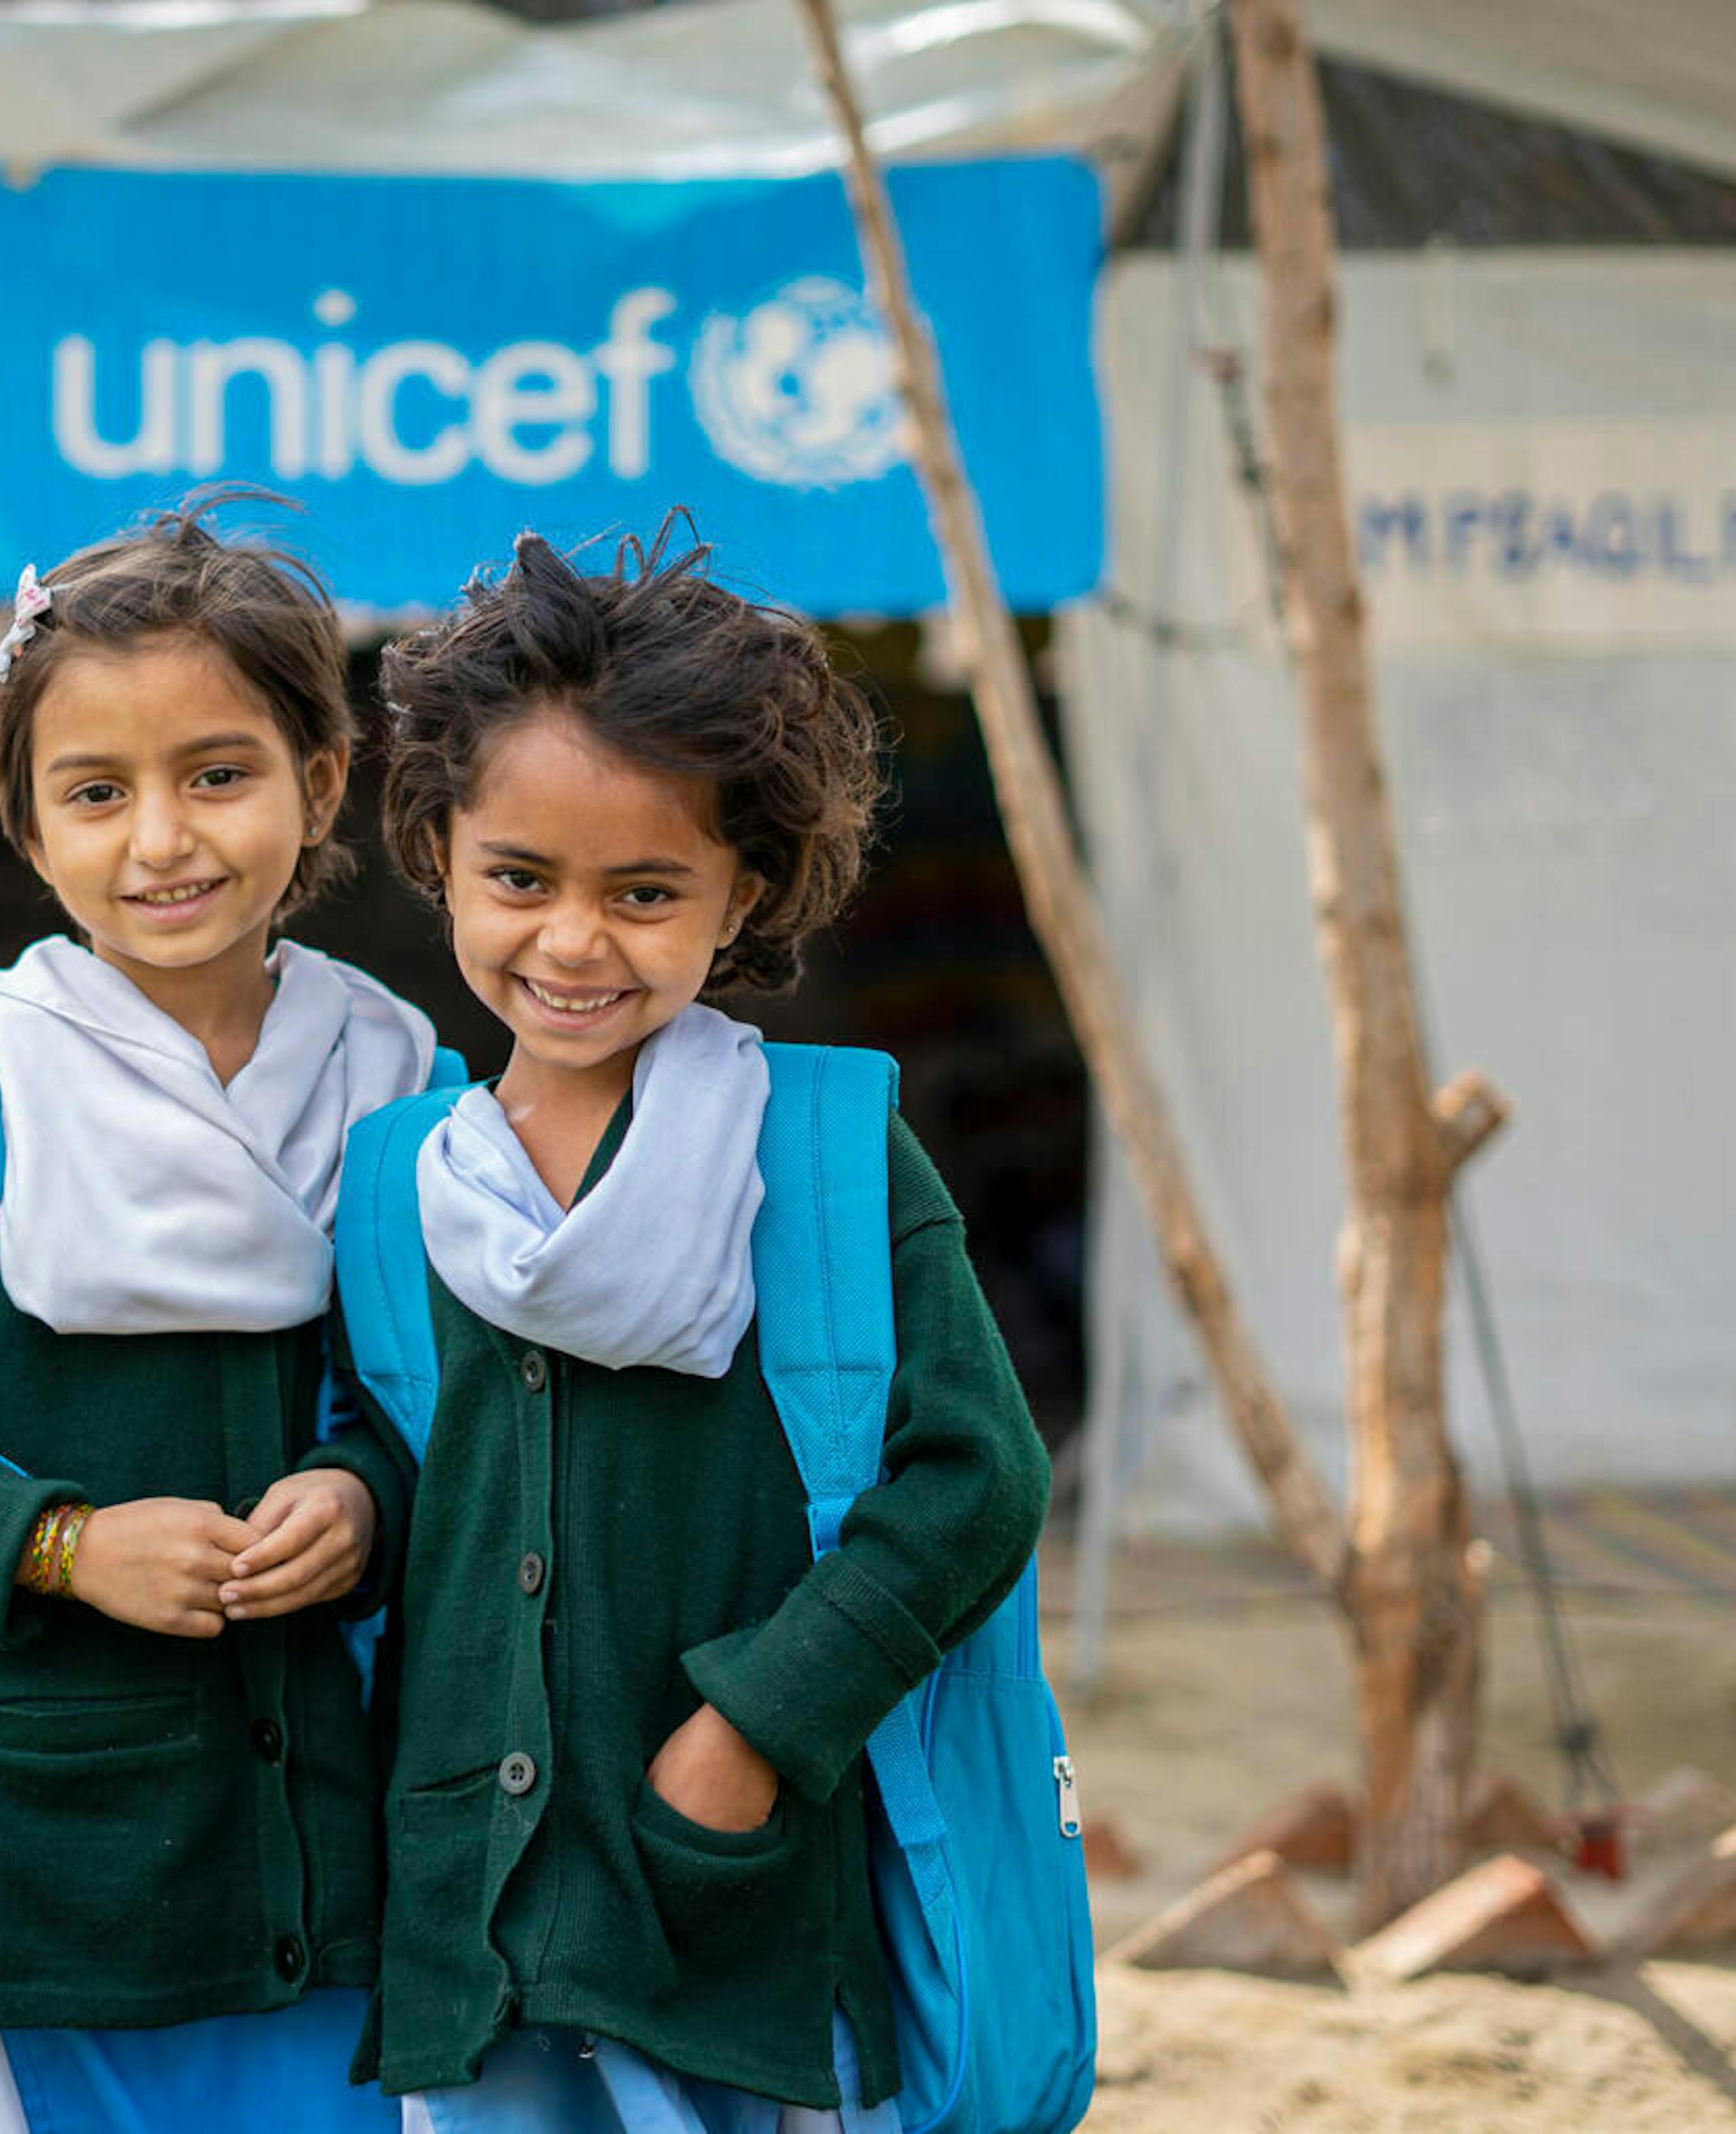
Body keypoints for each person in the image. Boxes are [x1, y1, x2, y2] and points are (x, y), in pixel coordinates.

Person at [348, 523, 1053, 2132]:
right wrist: (343, 1495)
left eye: (645, 891)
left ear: (744, 894)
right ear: (440, 850)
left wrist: (754, 1729)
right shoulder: (396, 1183)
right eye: (520, 879)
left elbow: (979, 1478)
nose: (572, 940)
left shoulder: (822, 1149)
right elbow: (410, 1470)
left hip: (740, 1905)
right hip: (474, 1925)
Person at [0, 498, 428, 2133]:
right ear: (25, 821)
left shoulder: (404, 1087)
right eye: (96, 791)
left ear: (322, 778)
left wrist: (365, 1497)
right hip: (38, 1856)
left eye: (218, 773)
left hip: (333, 1834)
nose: (162, 840)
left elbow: (452, 1405)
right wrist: (63, 1543)